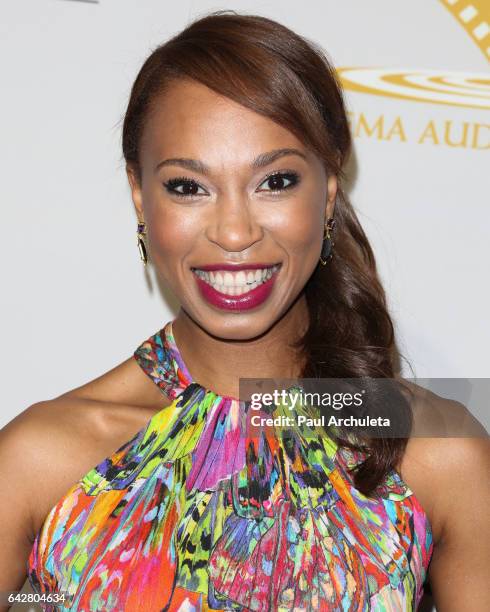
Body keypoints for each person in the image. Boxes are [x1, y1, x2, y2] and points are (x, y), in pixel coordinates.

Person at [1, 10, 488, 612]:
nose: (234, 232)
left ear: (330, 189)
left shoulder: (442, 455)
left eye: (276, 181)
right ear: (140, 195)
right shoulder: (36, 460)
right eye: (188, 186)